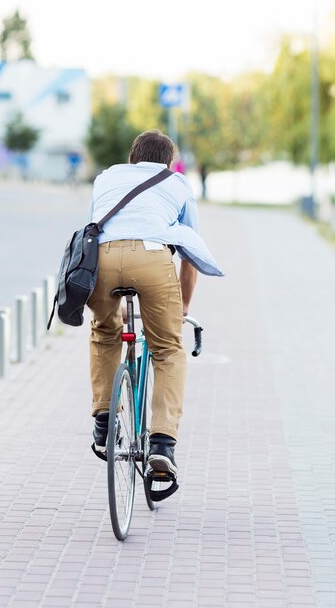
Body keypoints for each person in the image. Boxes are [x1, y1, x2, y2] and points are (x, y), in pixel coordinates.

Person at [88, 130, 222, 481]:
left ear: (132, 158)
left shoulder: (107, 178)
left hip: (100, 260)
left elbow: (95, 226)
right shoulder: (177, 184)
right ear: (167, 162)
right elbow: (190, 252)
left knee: (105, 332)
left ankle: (104, 419)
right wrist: (183, 307)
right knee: (167, 350)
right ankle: (162, 445)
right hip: (151, 258)